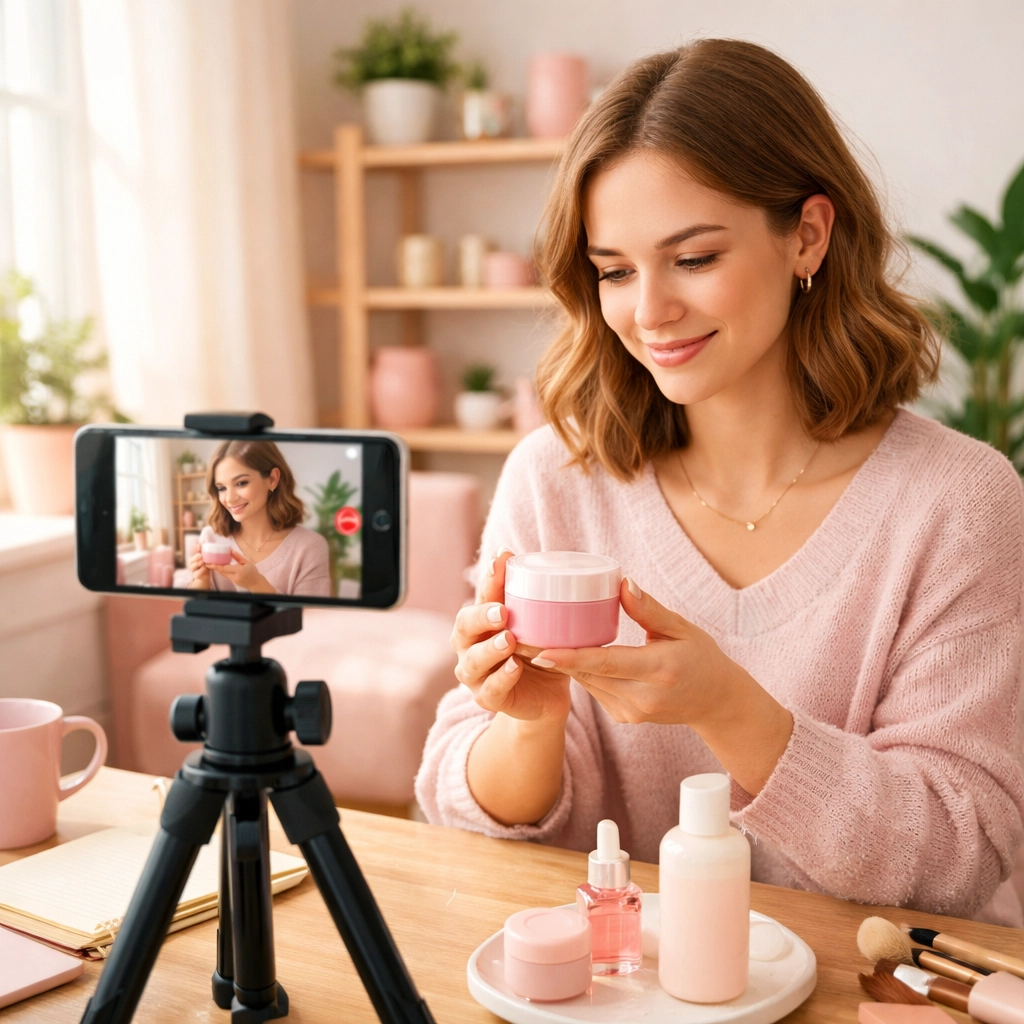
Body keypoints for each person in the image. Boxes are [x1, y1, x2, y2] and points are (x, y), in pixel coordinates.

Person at [415, 39, 1024, 925]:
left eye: (693, 259)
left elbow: (962, 854)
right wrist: (530, 721)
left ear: (808, 234)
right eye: (615, 271)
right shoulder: (556, 477)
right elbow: (455, 810)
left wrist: (730, 709)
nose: (649, 311)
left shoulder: (959, 502)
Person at [187, 440, 331, 597]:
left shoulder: (309, 547)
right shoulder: (210, 539)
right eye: (221, 488)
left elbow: (312, 617)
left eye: (241, 483)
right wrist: (200, 581)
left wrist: (257, 584)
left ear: (272, 479)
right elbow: (196, 615)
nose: (229, 499)